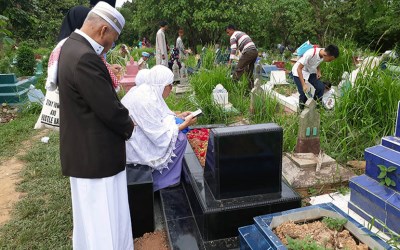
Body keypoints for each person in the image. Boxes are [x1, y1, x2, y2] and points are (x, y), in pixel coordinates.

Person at [57, 2, 135, 249]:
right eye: (111, 39)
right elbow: (110, 109)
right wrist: (129, 124)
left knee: (90, 222)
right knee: (105, 223)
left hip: (83, 152)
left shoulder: (70, 46)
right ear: (103, 30)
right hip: (96, 157)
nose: (109, 46)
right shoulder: (86, 58)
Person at [121, 65, 197, 192]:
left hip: (137, 136)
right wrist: (184, 124)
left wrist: (179, 116)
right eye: (170, 85)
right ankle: (162, 181)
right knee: (180, 138)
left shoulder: (147, 91)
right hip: (136, 142)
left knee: (177, 128)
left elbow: (160, 116)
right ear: (161, 84)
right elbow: (158, 136)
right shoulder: (146, 100)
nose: (171, 88)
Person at [291, 44, 339, 110]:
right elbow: (299, 69)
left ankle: (316, 108)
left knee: (320, 87)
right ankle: (301, 111)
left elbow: (317, 62)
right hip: (299, 71)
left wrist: (318, 71)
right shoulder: (310, 54)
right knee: (303, 93)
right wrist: (304, 84)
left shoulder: (323, 53)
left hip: (310, 71)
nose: (330, 61)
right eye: (330, 60)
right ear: (326, 55)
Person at [225, 24, 258, 89]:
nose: (228, 34)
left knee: (238, 69)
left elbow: (233, 49)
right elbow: (241, 51)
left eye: (228, 32)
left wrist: (230, 62)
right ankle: (251, 89)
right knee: (249, 72)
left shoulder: (233, 36)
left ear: (232, 30)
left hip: (248, 52)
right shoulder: (241, 33)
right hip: (254, 52)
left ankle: (231, 88)